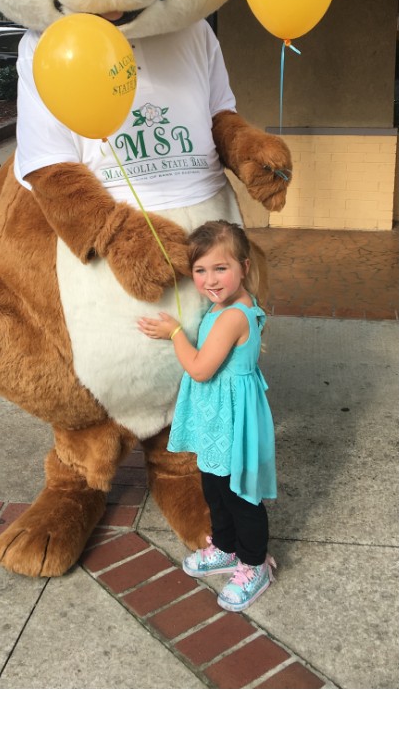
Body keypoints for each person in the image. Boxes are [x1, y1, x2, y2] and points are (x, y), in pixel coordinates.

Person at [137, 219, 277, 612]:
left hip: (234, 419)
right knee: (215, 487)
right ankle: (227, 548)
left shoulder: (234, 315)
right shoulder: (223, 305)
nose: (210, 279)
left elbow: (200, 369)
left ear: (244, 268)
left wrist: (174, 333)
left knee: (240, 496)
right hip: (219, 415)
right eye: (200, 270)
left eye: (221, 268)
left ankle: (254, 564)